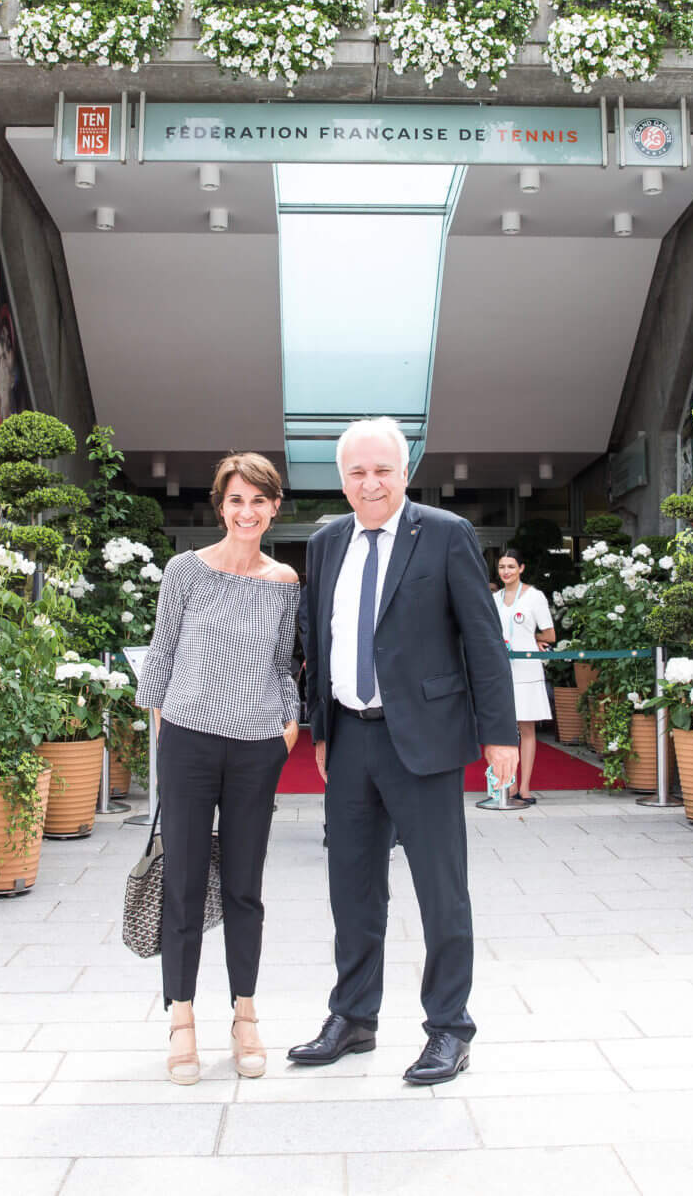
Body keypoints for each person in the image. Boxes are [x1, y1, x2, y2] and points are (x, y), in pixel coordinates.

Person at [291, 417, 515, 1086]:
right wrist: (322, 728)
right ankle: (354, 1015)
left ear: (405, 472)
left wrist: (500, 734)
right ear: (342, 479)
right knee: (352, 888)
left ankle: (449, 1027)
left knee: (440, 890)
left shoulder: (444, 534)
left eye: (382, 469)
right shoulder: (328, 541)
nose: (370, 482)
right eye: (357, 472)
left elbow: (482, 639)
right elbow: (321, 641)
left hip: (424, 739)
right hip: (351, 738)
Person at [134, 452, 301, 1086]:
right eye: (237, 500)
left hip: (257, 746)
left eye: (259, 500)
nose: (247, 511)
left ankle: (245, 1015)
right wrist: (165, 736)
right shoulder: (185, 571)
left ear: (274, 507)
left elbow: (286, 663)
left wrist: (286, 730)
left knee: (243, 888)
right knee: (182, 883)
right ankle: (181, 1017)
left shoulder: (284, 580)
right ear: (220, 505)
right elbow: (163, 654)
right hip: (188, 743)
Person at [494, 548, 557, 804]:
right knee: (504, 730)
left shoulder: (534, 597)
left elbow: (550, 635)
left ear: (521, 568)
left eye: (511, 566)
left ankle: (525, 786)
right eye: (501, 567)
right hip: (501, 671)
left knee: (527, 728)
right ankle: (508, 785)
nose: (505, 572)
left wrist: (533, 638)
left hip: (527, 671)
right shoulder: (495, 598)